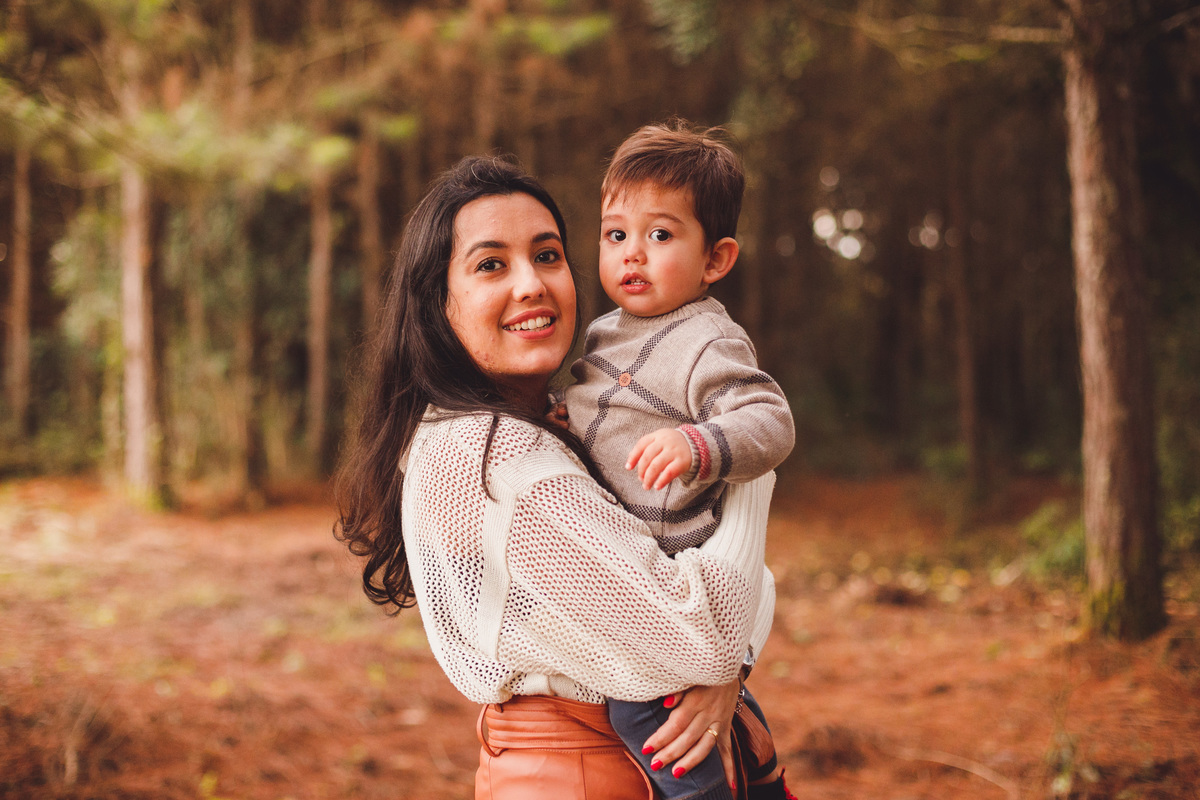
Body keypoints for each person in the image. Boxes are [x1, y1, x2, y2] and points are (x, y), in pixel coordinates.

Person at [335, 154, 779, 800]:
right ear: (438, 304)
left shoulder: (553, 427)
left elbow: (744, 596)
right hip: (576, 774)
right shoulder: (489, 457)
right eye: (491, 265)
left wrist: (727, 658)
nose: (532, 285)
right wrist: (751, 466)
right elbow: (706, 630)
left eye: (547, 256)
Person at [563, 120, 795, 800]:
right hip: (632, 574)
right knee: (716, 733)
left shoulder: (704, 339)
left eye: (660, 236)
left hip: (672, 583)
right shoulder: (605, 332)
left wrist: (699, 445)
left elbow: (769, 419)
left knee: (666, 735)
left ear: (716, 260)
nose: (632, 254)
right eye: (616, 235)